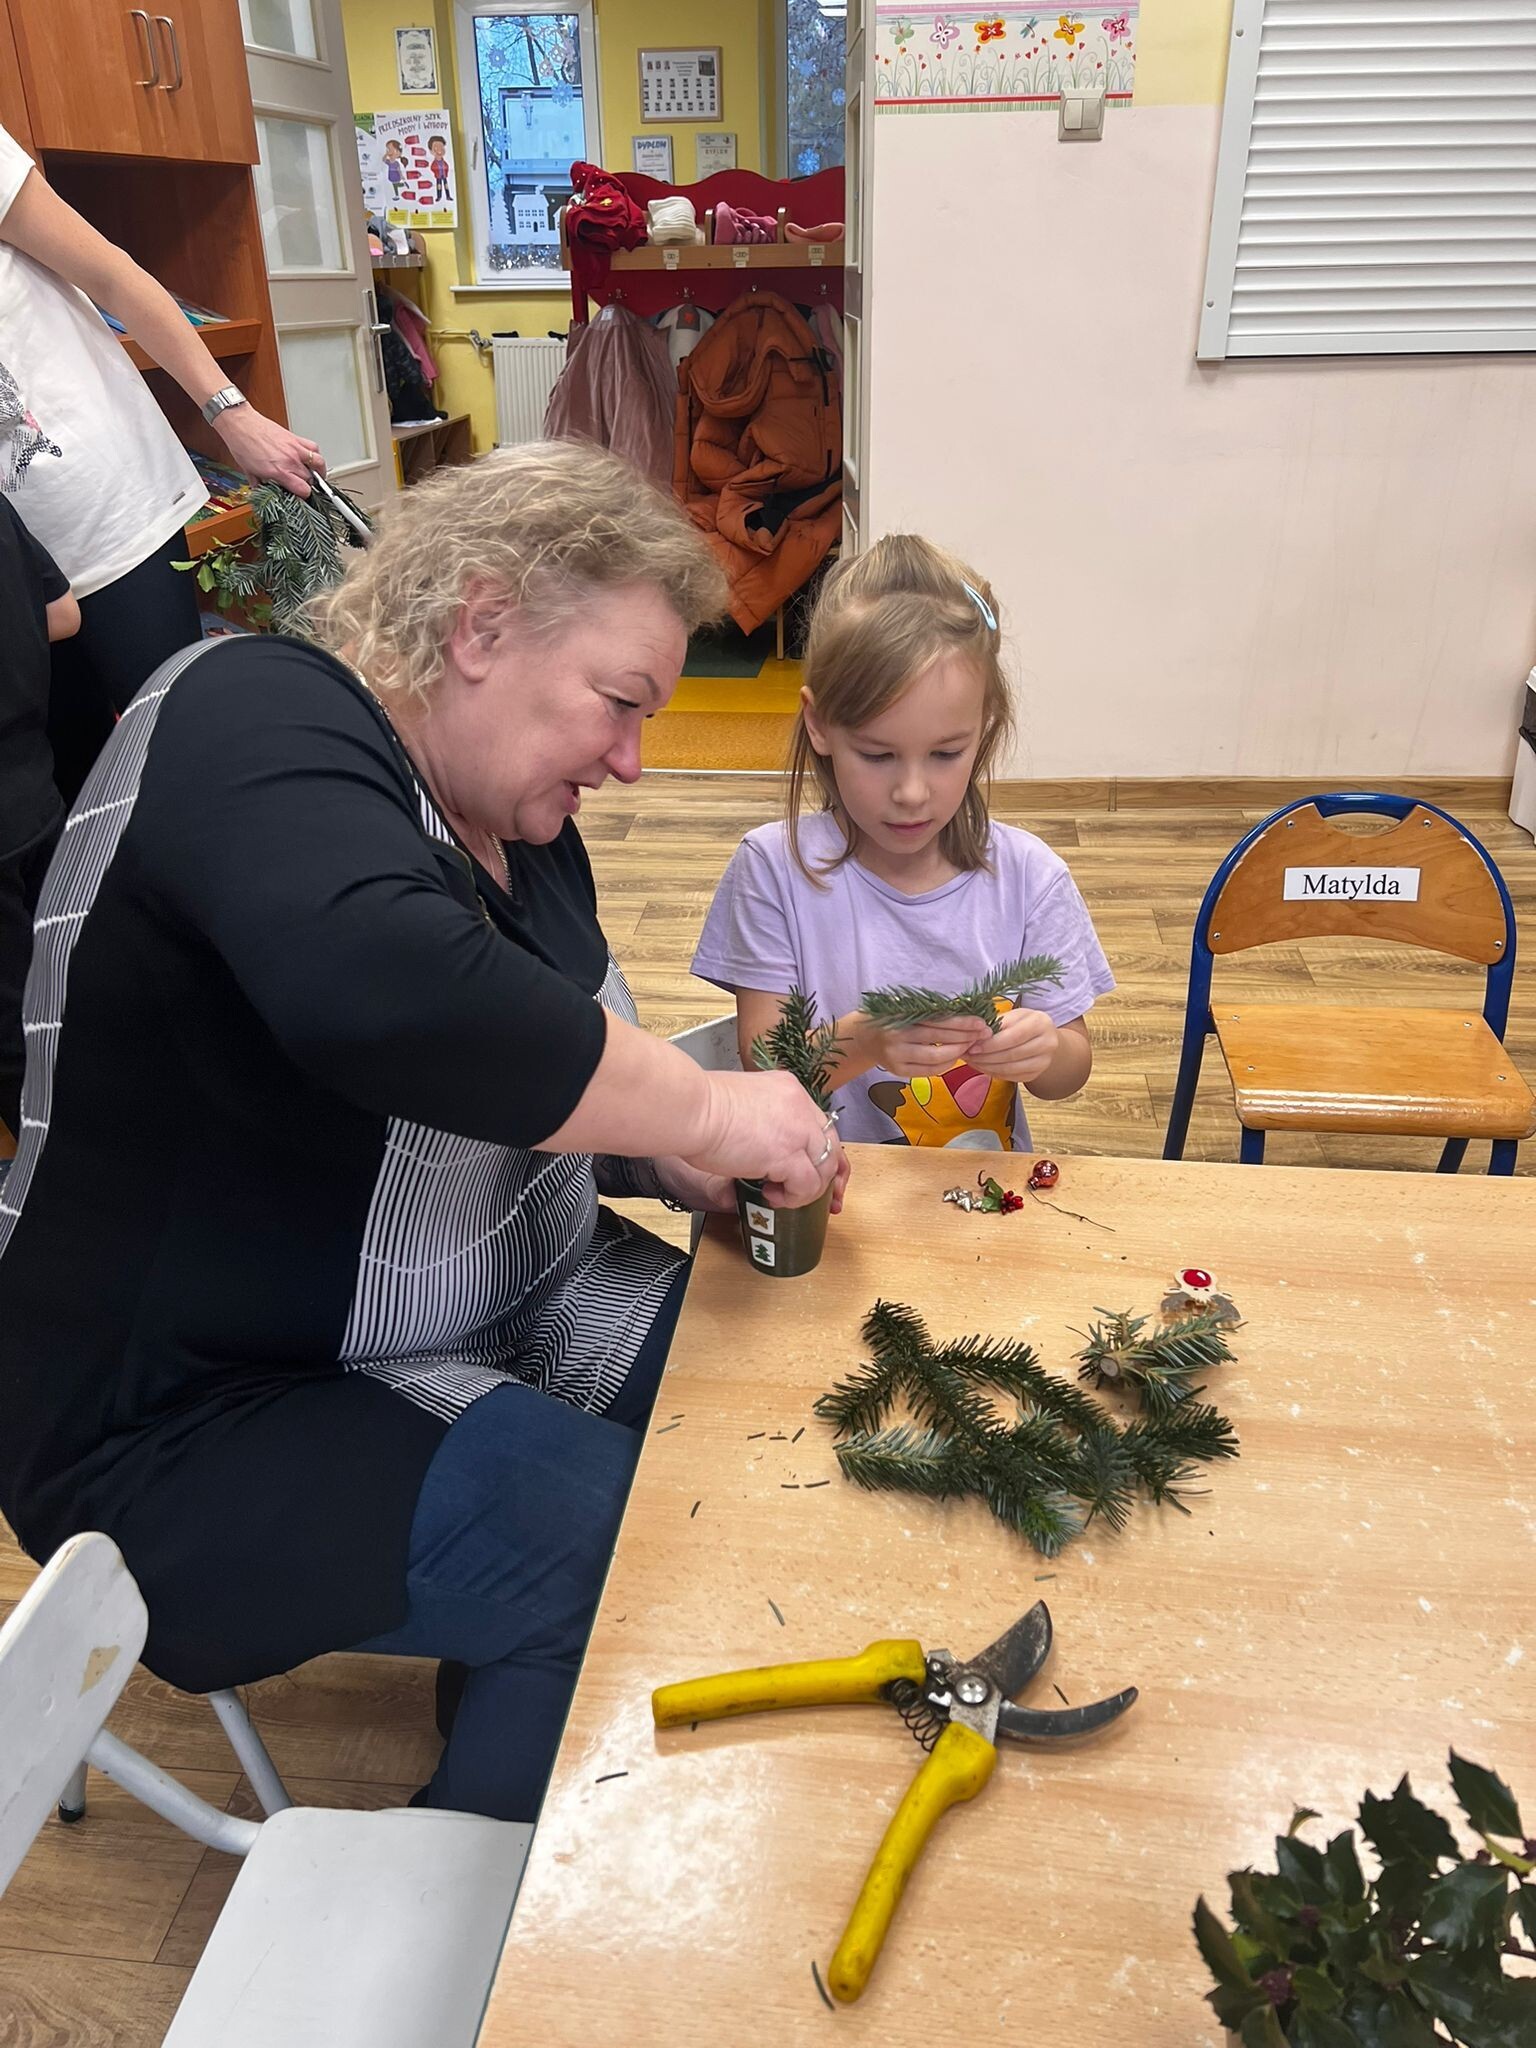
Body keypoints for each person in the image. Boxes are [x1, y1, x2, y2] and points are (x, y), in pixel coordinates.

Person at [0, 443, 846, 1823]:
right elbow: (383, 992)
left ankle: (510, 1668)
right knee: (624, 1543)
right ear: (480, 626)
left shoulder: (525, 822)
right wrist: (705, 1101)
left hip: (487, 1305)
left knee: (777, 1411)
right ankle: (478, 1908)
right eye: (620, 704)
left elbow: (522, 1076)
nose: (633, 763)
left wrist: (659, 1151)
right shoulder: (248, 711)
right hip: (191, 1412)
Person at [692, 534, 1113, 1153]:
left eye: (946, 754)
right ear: (819, 724)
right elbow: (767, 1068)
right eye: (877, 754)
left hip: (981, 1191)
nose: (912, 793)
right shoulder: (774, 869)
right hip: (826, 1185)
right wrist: (865, 1040)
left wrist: (1044, 1050)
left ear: (984, 728)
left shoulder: (1031, 877)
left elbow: (1070, 1072)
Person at [0, 121, 326, 796]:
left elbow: (112, 274)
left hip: (106, 510)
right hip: (13, 558)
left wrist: (230, 412)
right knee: (69, 779)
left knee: (184, 749)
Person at [0, 489, 78, 1141]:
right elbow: (63, 614)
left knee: (12, 1034)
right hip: (36, 791)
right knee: (62, 981)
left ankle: (44, 1166)